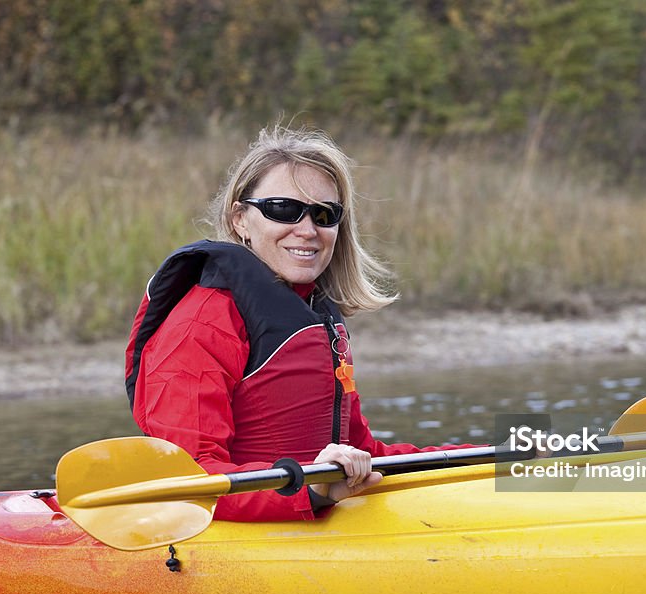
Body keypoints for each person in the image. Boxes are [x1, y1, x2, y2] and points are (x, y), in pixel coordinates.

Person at [125, 126, 468, 522]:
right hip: (235, 542)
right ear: (240, 220)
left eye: (324, 215)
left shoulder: (313, 315)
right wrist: (314, 492)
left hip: (311, 517)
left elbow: (364, 453)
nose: (307, 230)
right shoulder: (200, 324)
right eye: (283, 210)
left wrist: (506, 453)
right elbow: (189, 479)